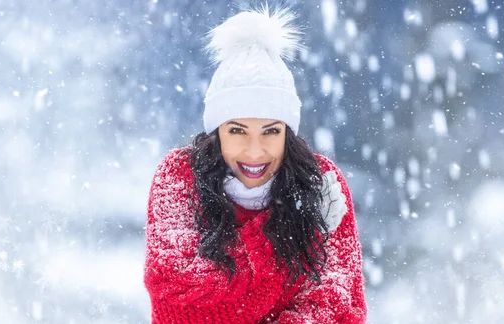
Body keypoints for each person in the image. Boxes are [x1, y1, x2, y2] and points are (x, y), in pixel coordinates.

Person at [144, 5, 367, 324]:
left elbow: (341, 309)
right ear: (216, 132)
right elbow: (179, 307)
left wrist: (232, 291)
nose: (254, 150)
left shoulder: (322, 186)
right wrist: (286, 243)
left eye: (270, 131)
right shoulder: (179, 178)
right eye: (237, 130)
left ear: (288, 134)